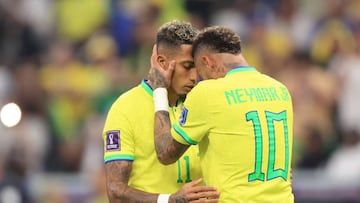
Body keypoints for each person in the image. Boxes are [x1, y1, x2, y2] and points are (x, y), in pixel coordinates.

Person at [149, 26, 294, 202]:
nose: (197, 80)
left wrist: (159, 90)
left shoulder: (209, 92)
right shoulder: (280, 90)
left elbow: (165, 153)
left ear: (208, 62)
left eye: (201, 74)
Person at [102, 20, 219, 203]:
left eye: (198, 67)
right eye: (187, 66)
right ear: (162, 62)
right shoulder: (125, 108)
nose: (195, 76)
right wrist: (168, 200)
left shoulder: (201, 104)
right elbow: (115, 192)